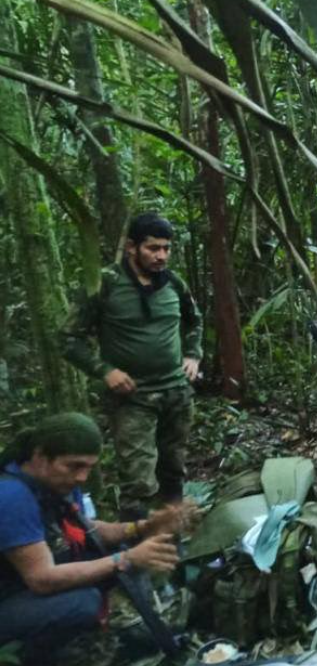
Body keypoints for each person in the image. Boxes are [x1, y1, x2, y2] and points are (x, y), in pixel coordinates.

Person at [0, 413, 189, 660]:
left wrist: (143, 526)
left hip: (28, 580)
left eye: (89, 467)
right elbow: (41, 579)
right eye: (74, 466)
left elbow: (88, 530)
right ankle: (35, 660)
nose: (82, 477)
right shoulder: (11, 496)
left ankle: (146, 622)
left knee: (121, 550)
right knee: (82, 603)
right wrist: (126, 558)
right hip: (11, 596)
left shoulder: (56, 482)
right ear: (40, 457)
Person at [62, 212, 202, 519]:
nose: (161, 255)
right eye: (153, 248)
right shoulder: (104, 284)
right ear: (131, 247)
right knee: (138, 482)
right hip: (133, 397)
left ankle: (171, 543)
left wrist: (192, 354)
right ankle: (137, 556)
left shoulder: (174, 284)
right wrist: (105, 371)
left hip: (176, 393)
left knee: (174, 470)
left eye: (166, 248)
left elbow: (194, 321)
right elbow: (70, 339)